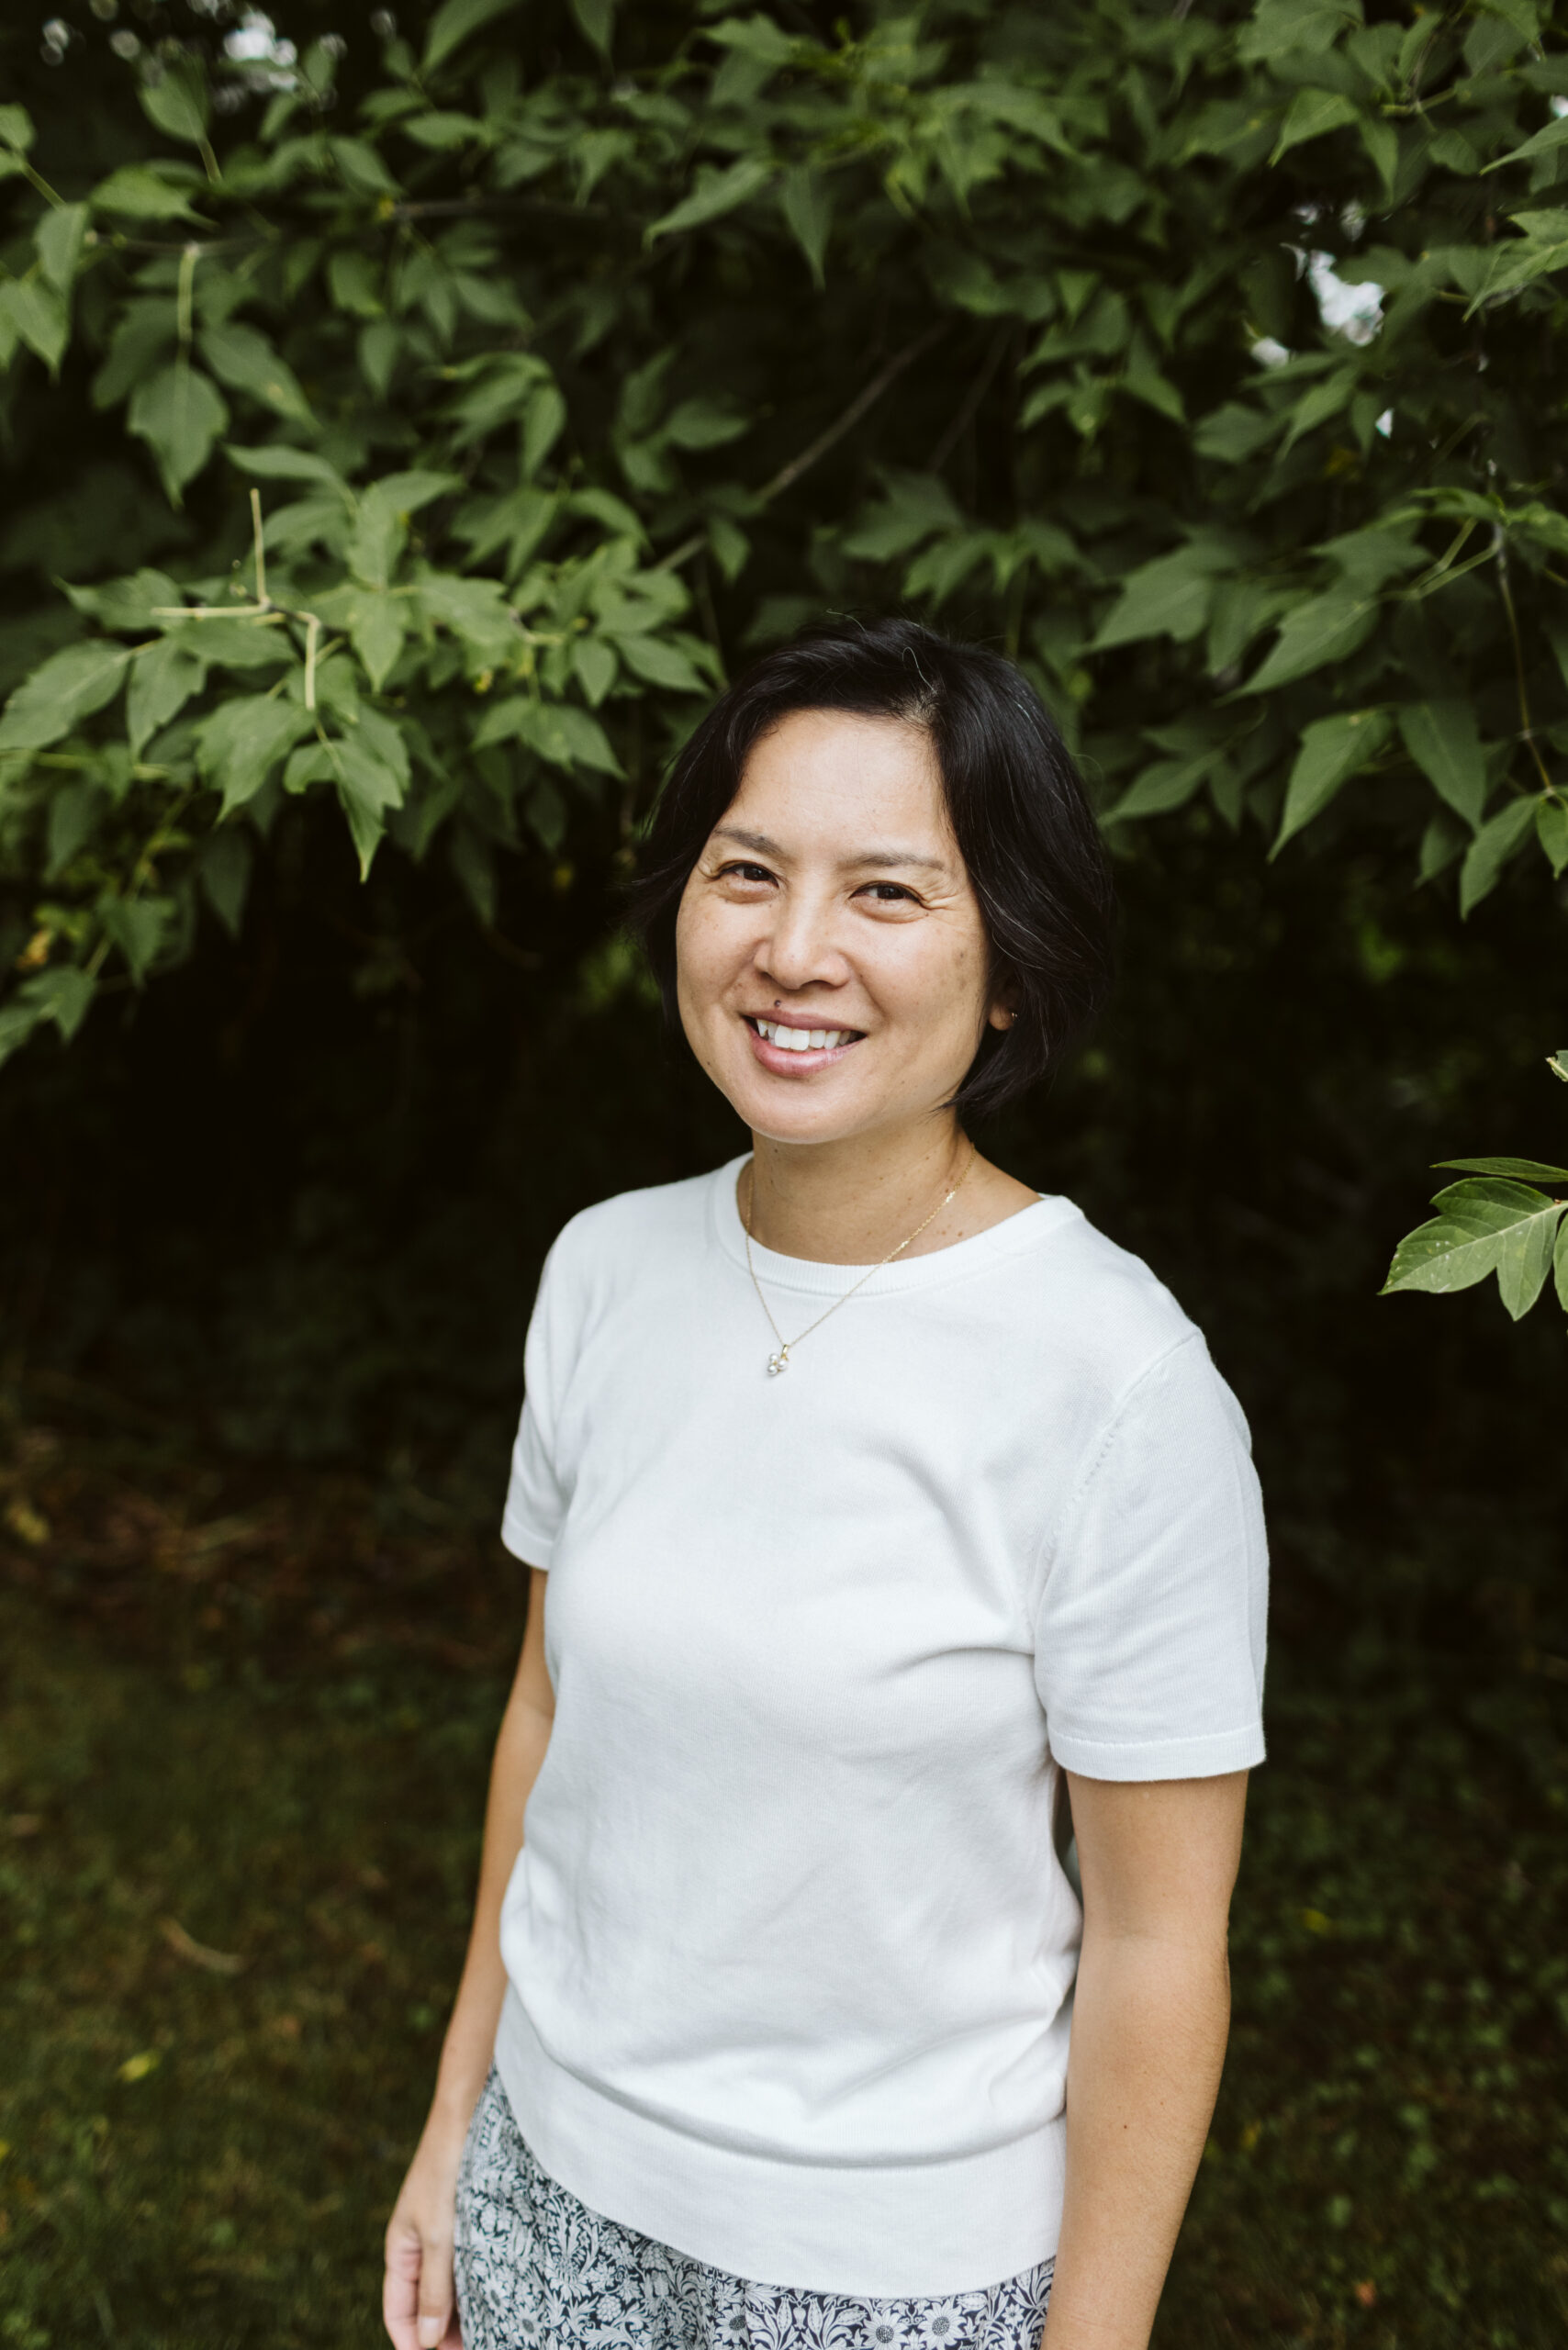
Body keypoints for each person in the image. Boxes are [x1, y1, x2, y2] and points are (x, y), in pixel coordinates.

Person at [383, 617, 1267, 2350]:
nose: (795, 953)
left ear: (1008, 964)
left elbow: (1160, 1949)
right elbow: (548, 1717)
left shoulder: (1119, 1384)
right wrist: (452, 2123)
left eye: (886, 893)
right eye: (748, 873)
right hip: (547, 2191)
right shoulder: (604, 1271)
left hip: (896, 2279)